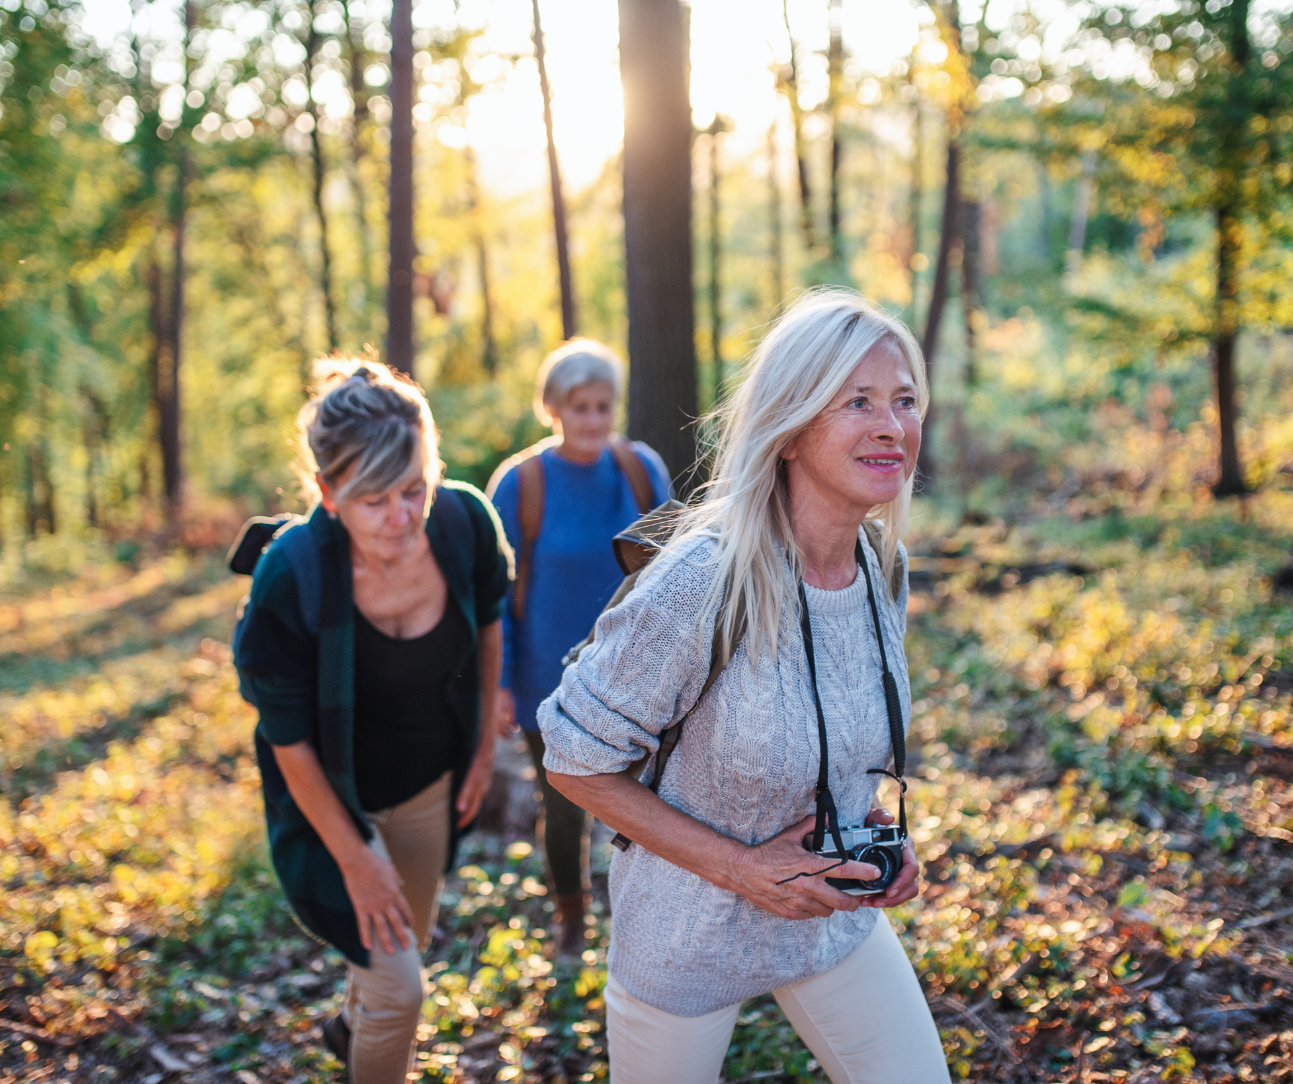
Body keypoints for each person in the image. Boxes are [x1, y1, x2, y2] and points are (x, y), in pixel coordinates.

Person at [537, 290, 951, 1084]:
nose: (891, 426)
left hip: (828, 919)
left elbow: (834, 727)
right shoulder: (701, 580)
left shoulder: (881, 567)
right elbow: (570, 758)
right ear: (789, 429)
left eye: (903, 401)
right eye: (856, 402)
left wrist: (871, 830)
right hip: (683, 942)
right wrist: (740, 867)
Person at [234, 359, 512, 1084]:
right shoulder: (291, 574)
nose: (401, 517)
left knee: (401, 942)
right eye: (374, 500)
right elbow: (287, 739)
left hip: (428, 783)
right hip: (329, 801)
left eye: (414, 488)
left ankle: (349, 1029)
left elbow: (489, 626)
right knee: (400, 990)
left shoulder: (464, 524)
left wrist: (482, 750)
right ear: (328, 494)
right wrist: (357, 859)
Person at [487, 339, 672, 959]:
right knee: (565, 806)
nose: (593, 420)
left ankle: (641, 922)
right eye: (580, 408)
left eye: (603, 407)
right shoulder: (521, 484)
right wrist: (500, 682)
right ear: (554, 409)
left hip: (636, 672)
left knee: (646, 805)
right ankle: (571, 919)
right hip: (548, 678)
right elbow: (495, 594)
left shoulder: (641, 470)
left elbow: (677, 569)